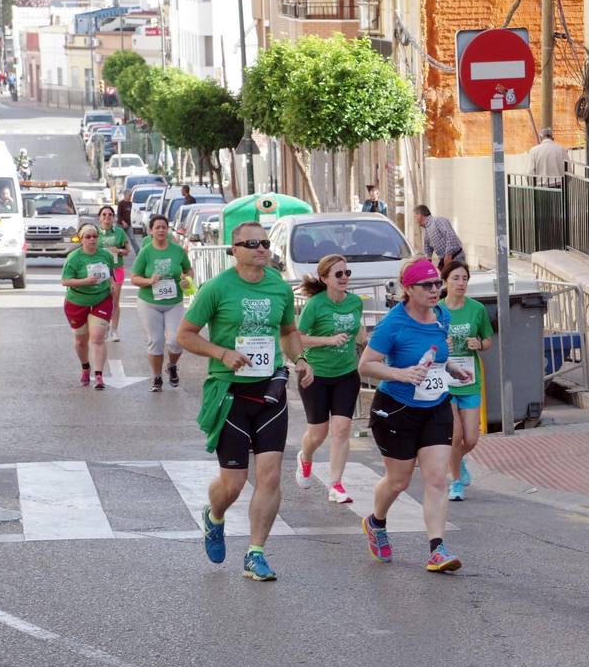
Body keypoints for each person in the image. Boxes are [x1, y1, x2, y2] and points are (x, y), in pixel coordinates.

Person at [176, 221, 312, 582]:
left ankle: (255, 553)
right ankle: (214, 516)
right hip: (230, 394)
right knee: (233, 484)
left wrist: (300, 360)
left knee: (269, 476)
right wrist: (221, 353)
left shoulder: (278, 288)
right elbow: (185, 336)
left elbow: (288, 332)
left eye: (265, 242)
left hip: (270, 392)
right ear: (234, 249)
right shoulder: (217, 288)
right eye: (251, 243)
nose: (261, 248)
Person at [356, 258, 474, 571]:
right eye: (427, 285)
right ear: (408, 290)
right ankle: (376, 523)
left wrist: (452, 368)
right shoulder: (393, 324)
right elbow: (366, 365)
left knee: (437, 478)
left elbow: (434, 357)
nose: (436, 289)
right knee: (398, 482)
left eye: (438, 283)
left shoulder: (442, 315)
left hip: (435, 405)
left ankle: (437, 549)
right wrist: (402, 373)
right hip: (396, 409)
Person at [293, 254, 364, 505]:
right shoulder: (315, 305)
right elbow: (297, 338)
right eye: (339, 274)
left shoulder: (355, 302)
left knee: (342, 428)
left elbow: (361, 334)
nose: (345, 278)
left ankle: (336, 484)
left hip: (346, 373)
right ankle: (305, 457)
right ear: (324, 278)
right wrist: (327, 340)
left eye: (347, 273)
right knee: (318, 433)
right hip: (317, 375)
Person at [438, 259, 493, 502]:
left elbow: (488, 340)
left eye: (464, 279)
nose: (461, 283)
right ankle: (456, 482)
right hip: (446, 382)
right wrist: (442, 345)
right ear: (445, 282)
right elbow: (426, 343)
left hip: (470, 380)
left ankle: (457, 459)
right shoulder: (436, 310)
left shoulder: (477, 309)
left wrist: (479, 344)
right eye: (456, 278)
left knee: (471, 438)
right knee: (455, 435)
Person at [130, 213, 193, 392]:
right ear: (151, 231)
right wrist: (149, 281)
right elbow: (134, 278)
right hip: (149, 302)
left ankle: (172, 365)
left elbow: (189, 271)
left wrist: (186, 280)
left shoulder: (177, 250)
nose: (161, 230)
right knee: (156, 340)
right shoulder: (146, 252)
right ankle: (157, 377)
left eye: (164, 227)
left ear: (168, 230)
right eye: (157, 227)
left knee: (176, 340)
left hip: (174, 302)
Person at [59, 225, 116, 389]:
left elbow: (111, 273)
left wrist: (112, 284)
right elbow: (65, 281)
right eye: (88, 236)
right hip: (77, 301)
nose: (92, 239)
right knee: (80, 341)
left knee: (97, 337)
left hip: (101, 299)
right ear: (81, 239)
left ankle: (98, 375)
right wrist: (85, 281)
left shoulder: (105, 255)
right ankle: (85, 367)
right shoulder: (74, 257)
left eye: (95, 236)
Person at [96, 206, 131, 341]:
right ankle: (103, 328)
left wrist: (119, 251)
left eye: (110, 215)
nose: (107, 217)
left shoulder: (119, 232)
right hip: (99, 270)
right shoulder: (95, 232)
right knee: (101, 300)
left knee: (115, 301)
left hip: (116, 269)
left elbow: (127, 251)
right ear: (99, 217)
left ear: (113, 217)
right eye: (104, 214)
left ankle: (114, 330)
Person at [413, 205, 464, 272]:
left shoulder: (438, 220)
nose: (414, 219)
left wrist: (448, 254)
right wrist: (427, 261)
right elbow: (428, 248)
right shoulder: (426, 230)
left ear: (420, 215)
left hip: (455, 257)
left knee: (455, 279)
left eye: (414, 216)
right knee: (440, 279)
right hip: (444, 260)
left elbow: (450, 235)